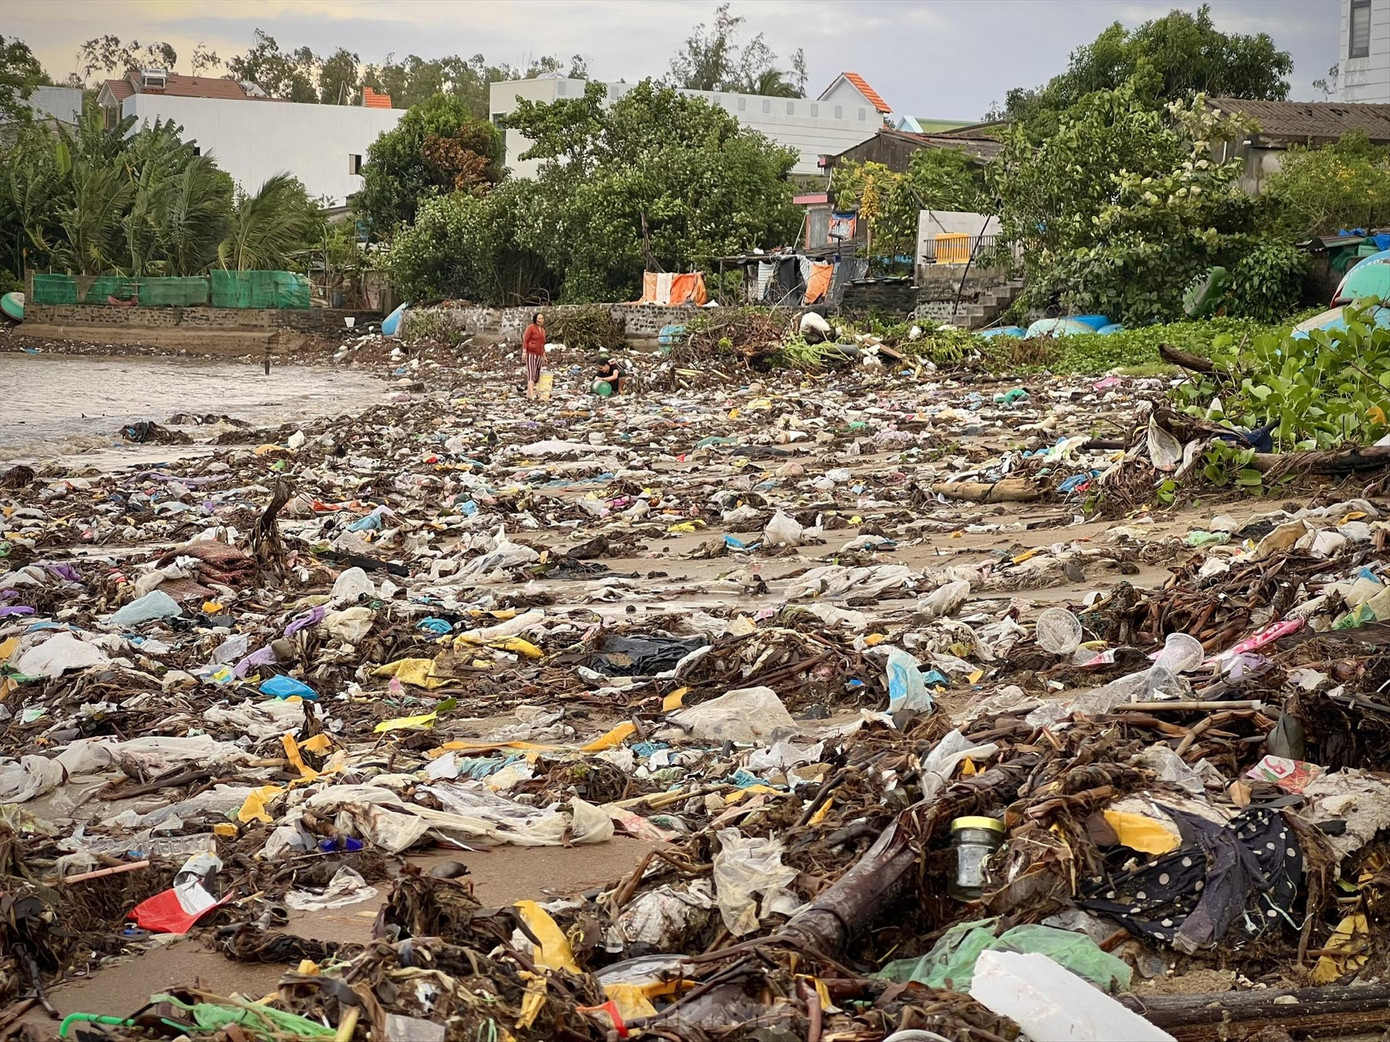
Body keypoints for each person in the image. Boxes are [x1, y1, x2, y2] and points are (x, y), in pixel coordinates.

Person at [522, 312, 546, 399]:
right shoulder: (531, 328)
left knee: (536, 374)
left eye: (542, 319)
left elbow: (542, 343)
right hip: (531, 353)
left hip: (539, 353)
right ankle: (531, 394)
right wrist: (524, 352)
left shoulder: (542, 330)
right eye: (539, 318)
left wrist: (544, 355)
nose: (540, 320)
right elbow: (525, 340)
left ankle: (528, 394)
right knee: (531, 372)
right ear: (535, 319)